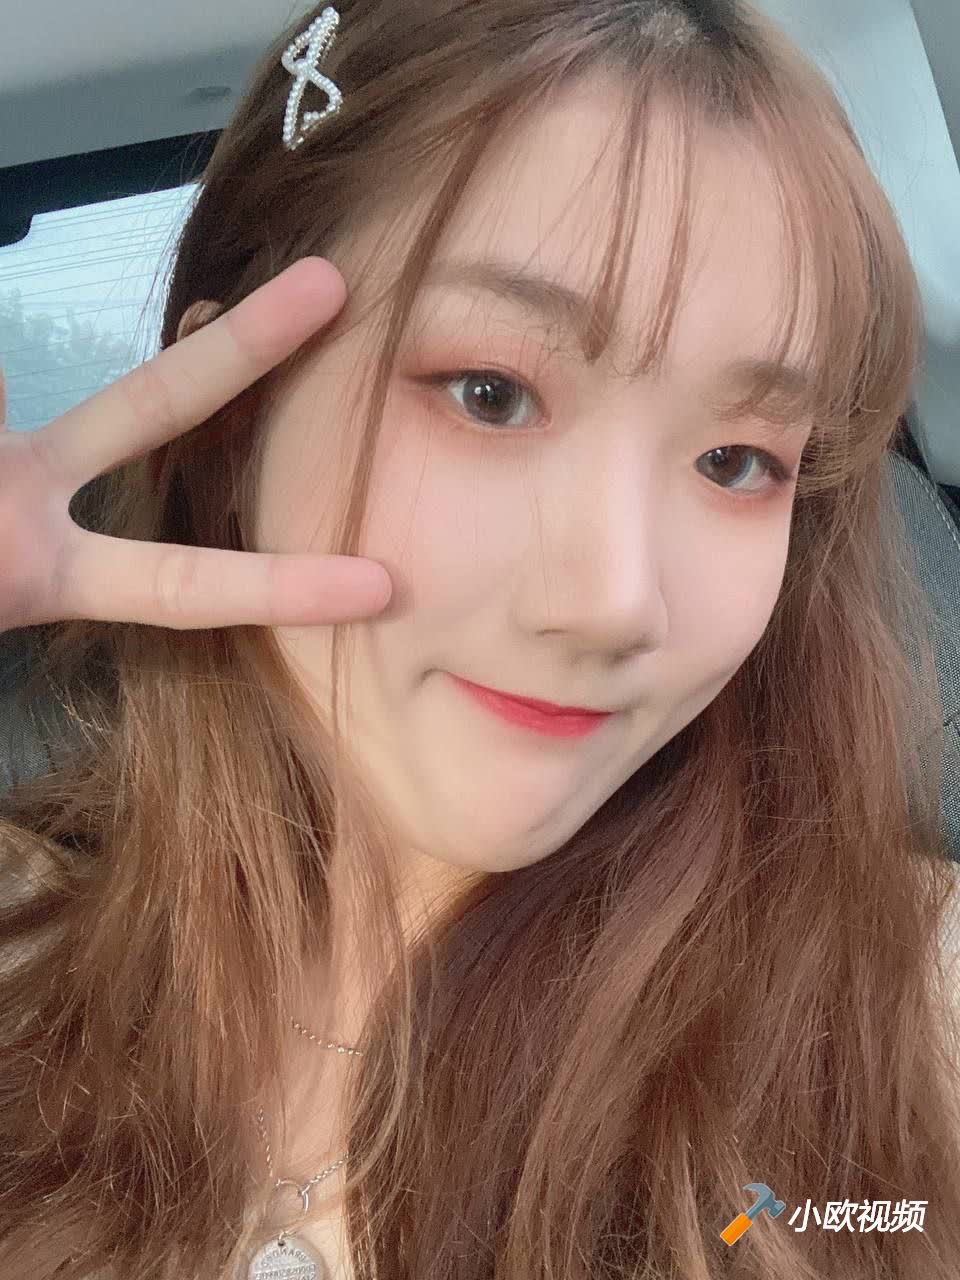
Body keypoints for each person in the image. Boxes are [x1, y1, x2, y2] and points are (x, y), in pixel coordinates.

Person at [2, 1, 960, 1277]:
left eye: (738, 459)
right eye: (490, 393)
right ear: (232, 425)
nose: (617, 601)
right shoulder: (24, 946)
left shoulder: (912, 1000)